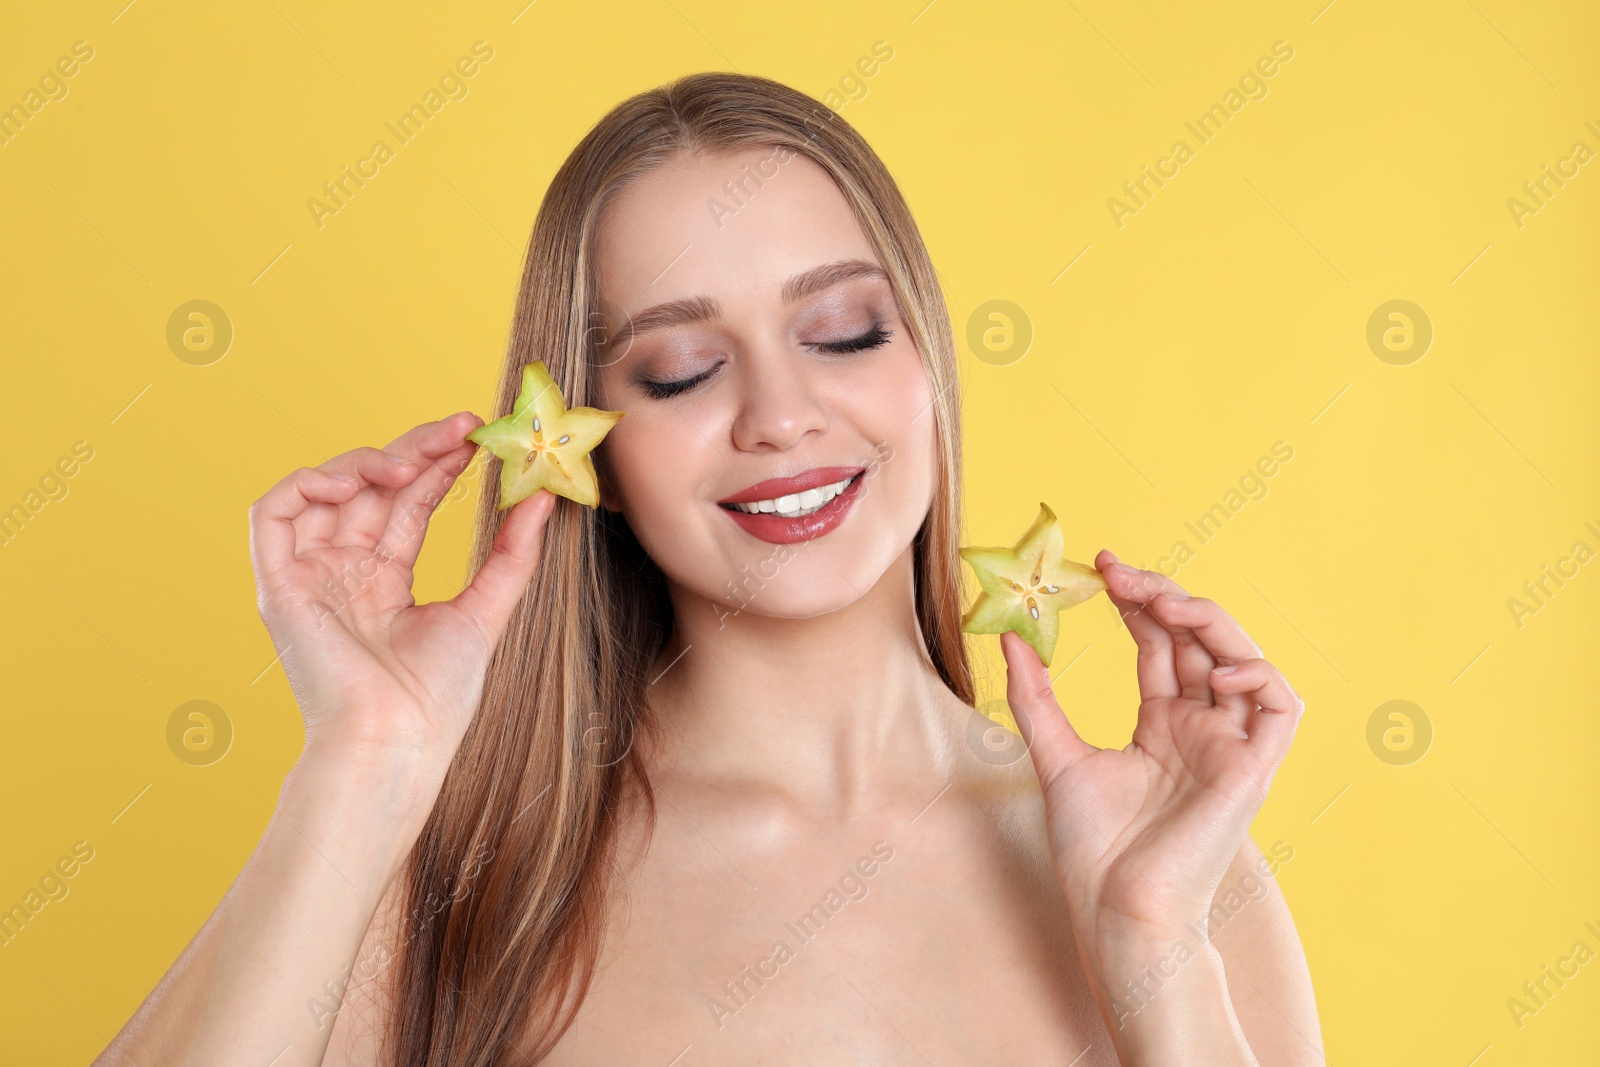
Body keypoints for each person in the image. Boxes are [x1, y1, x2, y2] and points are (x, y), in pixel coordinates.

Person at [99, 71, 1319, 1066]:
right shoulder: (457, 871)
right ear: (596, 448)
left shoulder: (1173, 862)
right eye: (680, 368)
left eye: (842, 332)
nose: (780, 414)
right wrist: (361, 759)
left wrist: (1151, 937)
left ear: (930, 364)